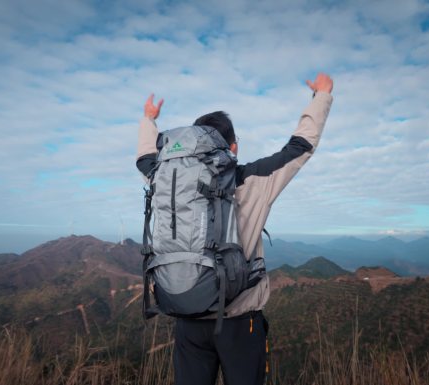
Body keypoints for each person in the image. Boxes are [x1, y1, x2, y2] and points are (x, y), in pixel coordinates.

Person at [135, 72, 333, 385]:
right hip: (239, 322)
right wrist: (321, 96)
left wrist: (149, 120)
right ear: (233, 146)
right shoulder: (252, 181)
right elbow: (299, 148)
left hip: (186, 316)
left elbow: (145, 158)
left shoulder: (165, 178)